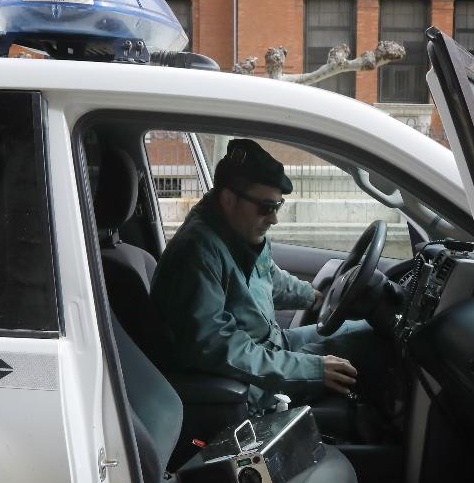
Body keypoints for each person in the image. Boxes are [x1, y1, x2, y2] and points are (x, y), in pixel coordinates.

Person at [150, 138, 381, 411]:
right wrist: (310, 369)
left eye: (278, 206)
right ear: (229, 199)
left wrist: (315, 297)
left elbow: (269, 277)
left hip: (271, 348)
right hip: (248, 380)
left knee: (366, 329)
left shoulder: (242, 232)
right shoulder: (197, 254)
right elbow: (216, 346)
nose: (274, 219)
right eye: (266, 207)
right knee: (365, 349)